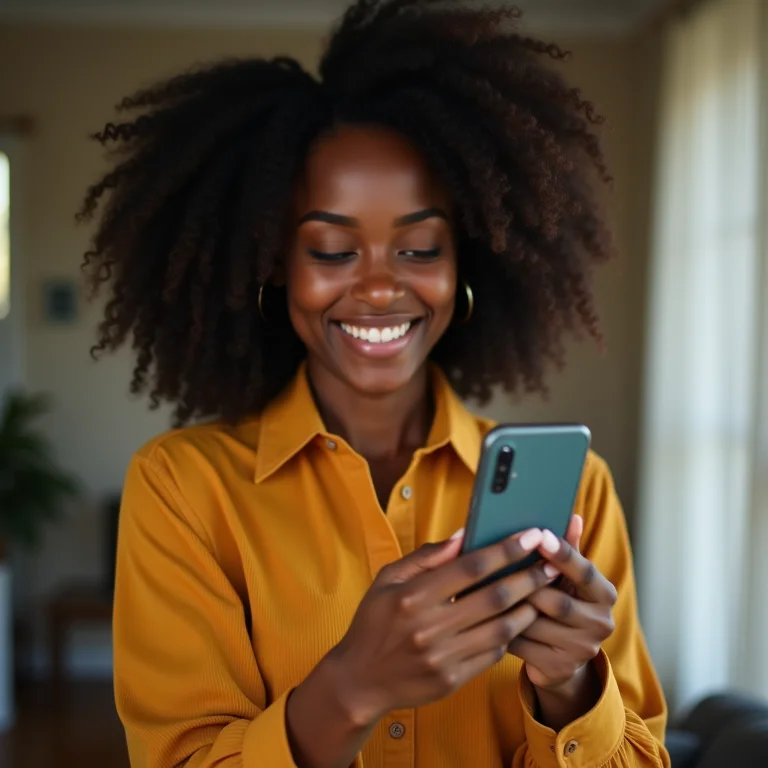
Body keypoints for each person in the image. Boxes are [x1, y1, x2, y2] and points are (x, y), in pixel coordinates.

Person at [79, 1, 669, 766]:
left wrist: (570, 688)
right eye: (331, 250)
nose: (383, 288)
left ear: (467, 266)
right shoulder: (185, 491)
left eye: (421, 248)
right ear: (271, 267)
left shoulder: (577, 495)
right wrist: (353, 686)